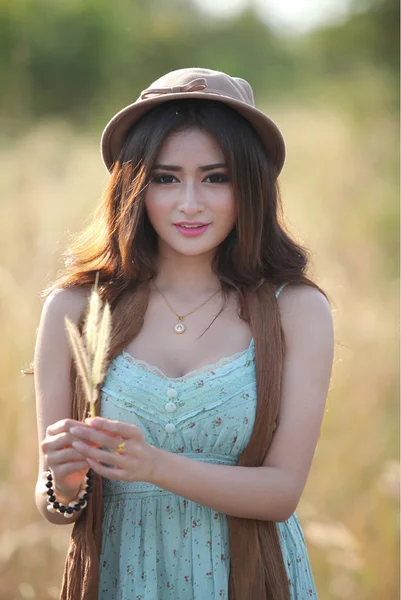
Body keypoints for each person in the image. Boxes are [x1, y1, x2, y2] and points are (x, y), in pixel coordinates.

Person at [33, 68, 334, 600]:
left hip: (249, 578)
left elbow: (282, 492)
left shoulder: (296, 310)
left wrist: (155, 465)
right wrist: (67, 480)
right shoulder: (75, 308)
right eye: (166, 178)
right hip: (119, 576)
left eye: (216, 178)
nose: (189, 203)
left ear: (251, 187)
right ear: (134, 185)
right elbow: (55, 505)